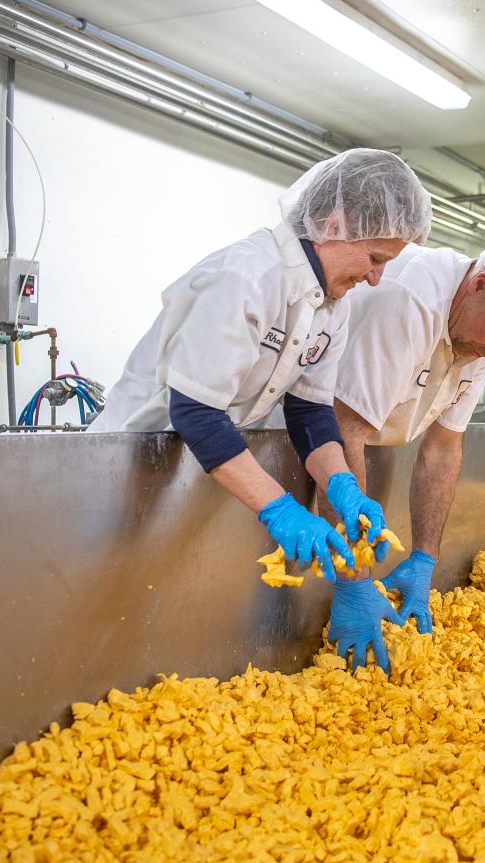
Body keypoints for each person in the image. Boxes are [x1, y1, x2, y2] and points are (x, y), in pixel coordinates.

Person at [91, 150, 432, 659]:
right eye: (376, 258)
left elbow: (310, 413)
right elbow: (196, 412)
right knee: (102, 608)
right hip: (122, 469)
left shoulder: (330, 305)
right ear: (335, 224)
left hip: (199, 468)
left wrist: (343, 489)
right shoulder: (247, 276)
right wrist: (282, 511)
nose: (378, 278)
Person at [298, 240, 485, 662]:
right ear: (480, 285)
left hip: (345, 454)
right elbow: (343, 432)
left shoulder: (478, 335)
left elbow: (444, 447)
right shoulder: (411, 301)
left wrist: (426, 556)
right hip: (294, 446)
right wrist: (355, 579)